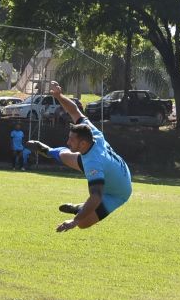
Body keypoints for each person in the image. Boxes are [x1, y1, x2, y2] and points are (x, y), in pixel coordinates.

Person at [24, 81, 133, 232]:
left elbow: (96, 196)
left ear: (82, 143)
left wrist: (74, 220)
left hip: (118, 193)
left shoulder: (93, 164)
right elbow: (74, 110)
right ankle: (48, 151)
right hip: (117, 169)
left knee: (83, 223)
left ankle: (79, 207)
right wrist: (59, 96)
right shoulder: (91, 132)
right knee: (66, 156)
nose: (67, 141)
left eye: (71, 140)